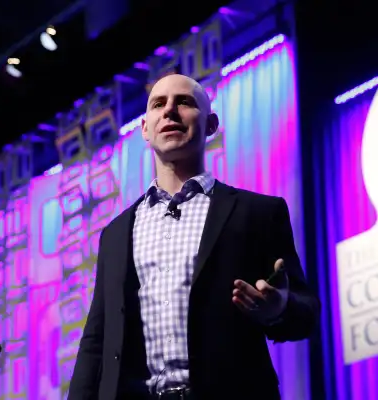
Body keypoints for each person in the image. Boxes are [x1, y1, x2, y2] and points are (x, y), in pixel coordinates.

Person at [67, 73, 320, 399]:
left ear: (211, 124)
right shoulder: (115, 234)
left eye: (184, 102)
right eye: (158, 104)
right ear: (145, 129)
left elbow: (306, 313)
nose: (169, 111)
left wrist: (279, 309)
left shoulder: (257, 213)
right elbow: (97, 341)